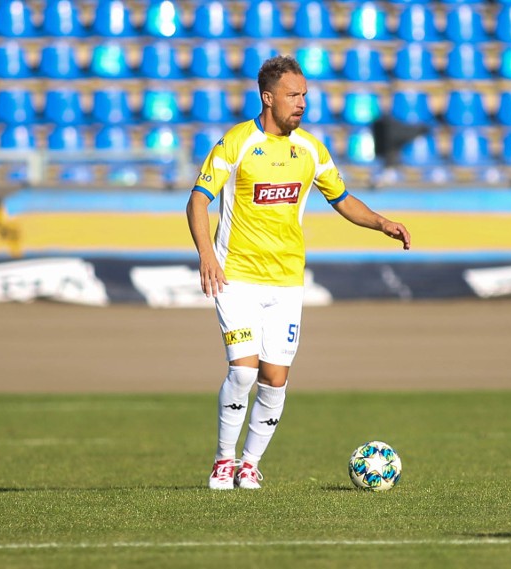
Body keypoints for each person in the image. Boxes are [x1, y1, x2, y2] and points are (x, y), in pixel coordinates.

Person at [186, 55, 411, 490]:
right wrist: (206, 255)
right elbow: (198, 200)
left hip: (287, 282)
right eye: (293, 95)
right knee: (244, 372)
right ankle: (223, 461)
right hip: (237, 277)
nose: (302, 103)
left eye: (305, 94)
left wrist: (382, 222)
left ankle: (250, 464)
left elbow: (342, 198)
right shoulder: (236, 143)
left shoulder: (309, 149)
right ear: (268, 98)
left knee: (275, 378)